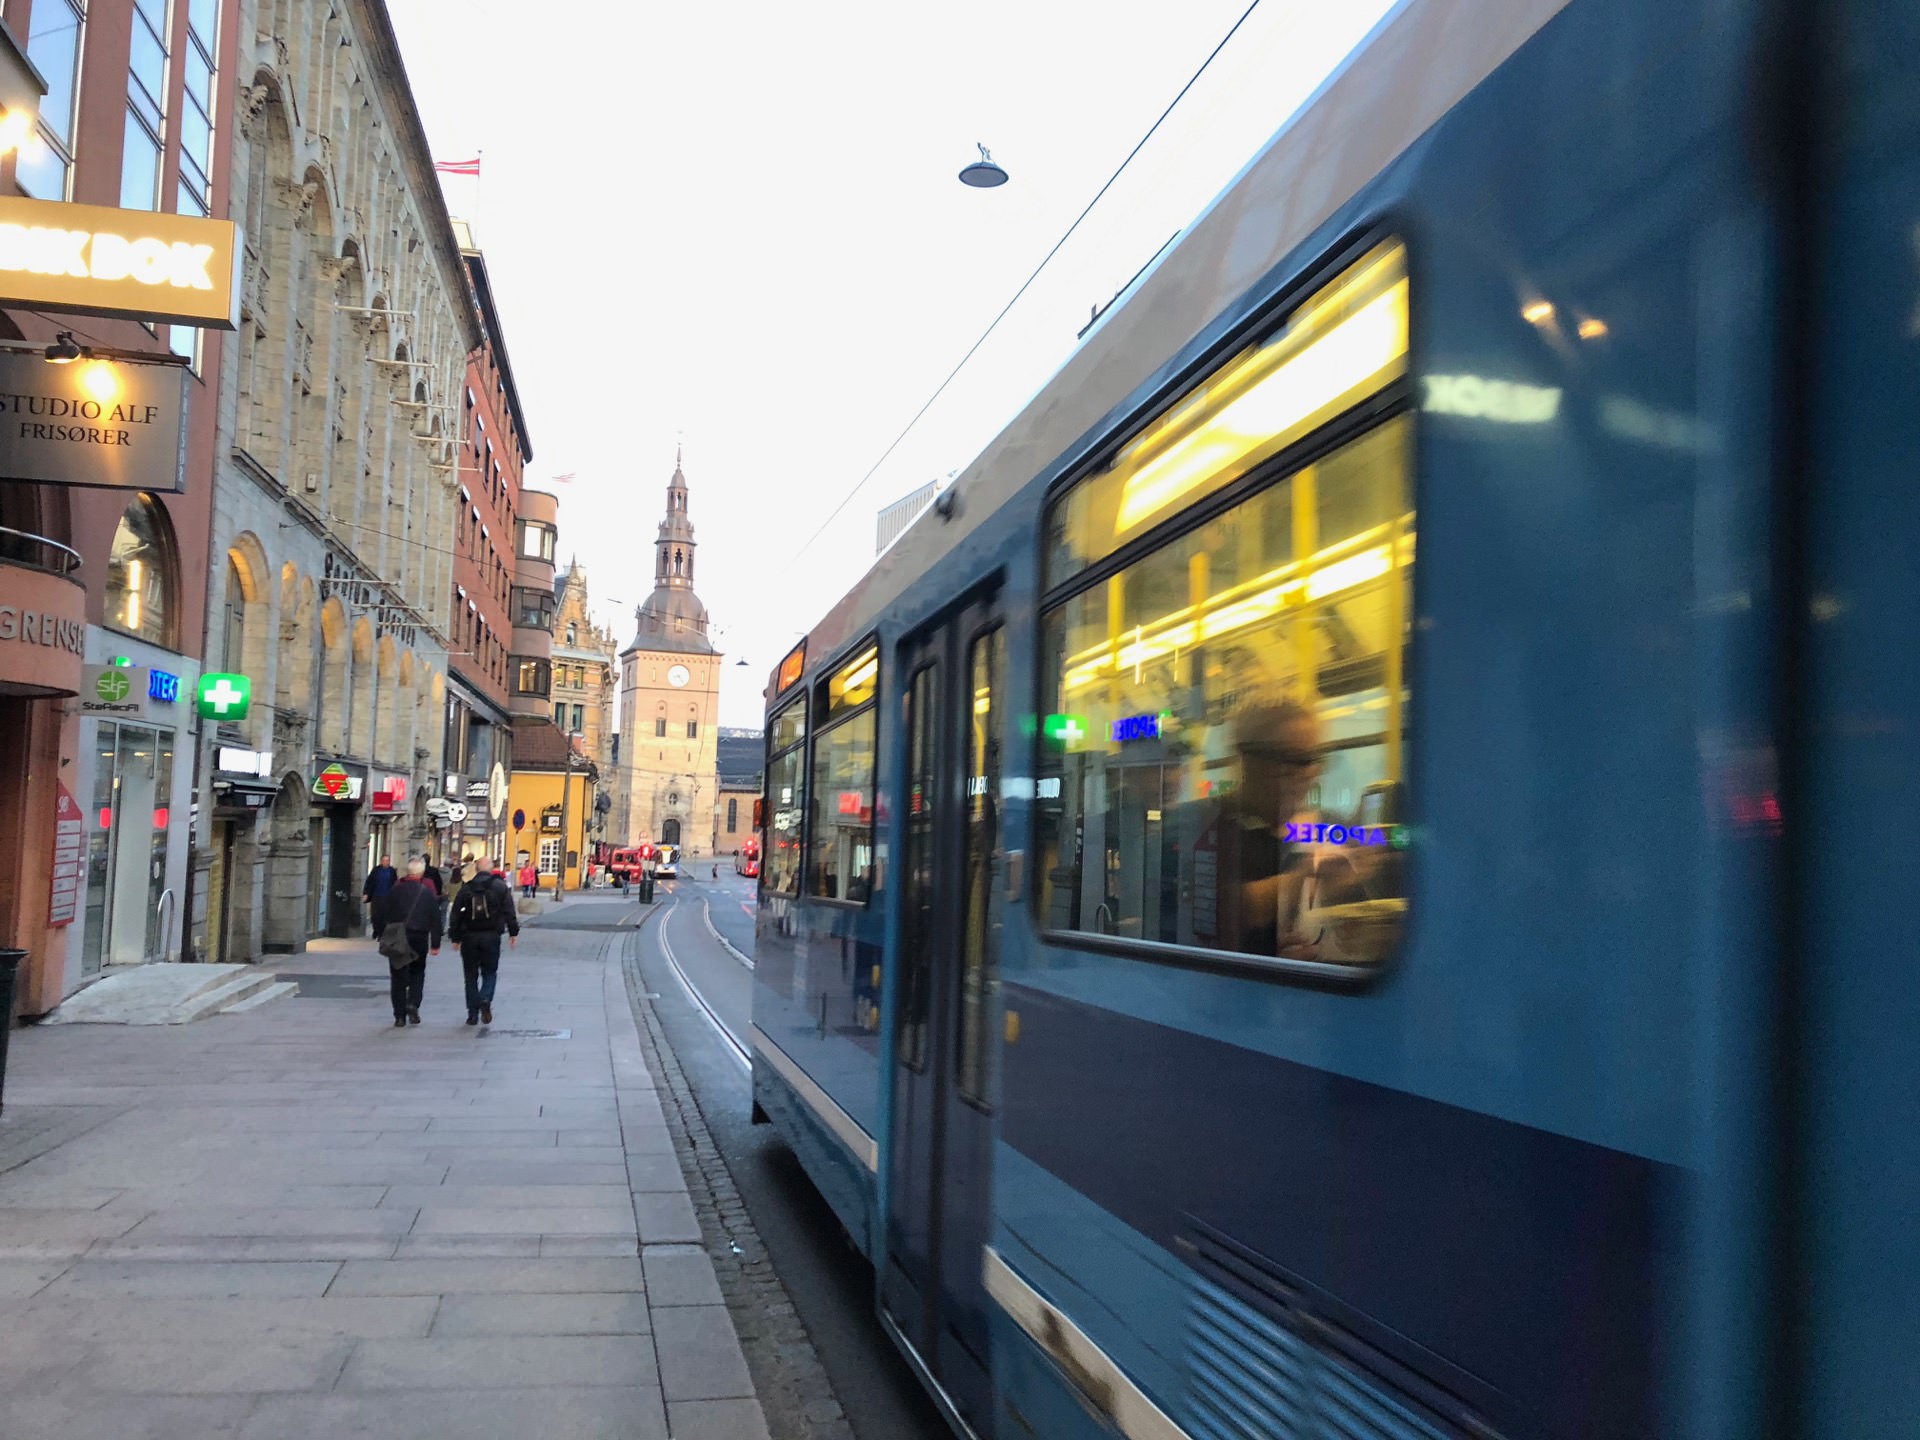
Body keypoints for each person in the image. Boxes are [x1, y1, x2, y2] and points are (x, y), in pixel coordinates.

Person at [448, 855, 520, 1026]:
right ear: (491, 869)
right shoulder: (500, 887)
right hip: (491, 936)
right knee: (489, 972)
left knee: (470, 976)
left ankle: (472, 1014)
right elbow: (509, 911)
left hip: (469, 937)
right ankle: (486, 998)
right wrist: (513, 932)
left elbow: (456, 915)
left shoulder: (466, 888)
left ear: (477, 869)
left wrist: (455, 937)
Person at [375, 858, 442, 1027]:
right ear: (421, 873)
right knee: (417, 972)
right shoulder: (426, 892)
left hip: (397, 937)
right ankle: (413, 1003)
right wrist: (435, 943)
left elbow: (382, 913)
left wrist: (382, 934)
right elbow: (435, 919)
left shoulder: (395, 891)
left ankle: (399, 1016)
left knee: (398, 976)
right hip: (419, 937)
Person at [361, 854, 396, 938]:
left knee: (384, 916)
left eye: (387, 860)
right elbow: (369, 882)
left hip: (387, 897)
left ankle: (381, 933)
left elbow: (395, 883)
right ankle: (376, 930)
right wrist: (366, 893)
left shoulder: (392, 871)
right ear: (381, 861)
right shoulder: (376, 870)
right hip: (376, 896)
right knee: (375, 915)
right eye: (384, 860)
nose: (386, 862)